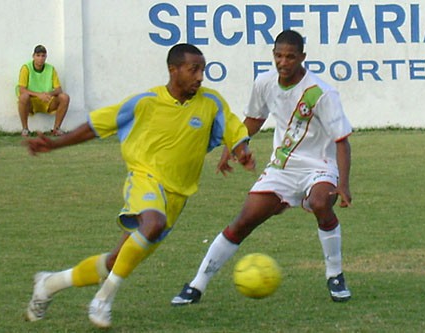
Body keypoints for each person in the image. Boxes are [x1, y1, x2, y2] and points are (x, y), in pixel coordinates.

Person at [23, 43, 255, 328]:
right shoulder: (145, 102)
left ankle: (49, 284)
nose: (199, 76)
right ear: (173, 70)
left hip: (178, 196)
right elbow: (96, 126)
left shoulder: (211, 102)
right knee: (152, 222)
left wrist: (241, 149)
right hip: (145, 180)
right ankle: (103, 299)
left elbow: (233, 128)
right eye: (193, 69)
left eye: (202, 70)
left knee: (115, 261)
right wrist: (55, 144)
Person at [171, 30, 353, 306]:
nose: (284, 62)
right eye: (279, 56)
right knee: (243, 221)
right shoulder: (265, 83)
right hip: (282, 166)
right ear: (273, 56)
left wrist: (344, 184)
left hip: (320, 166)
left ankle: (335, 275)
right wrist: (232, 148)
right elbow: (254, 119)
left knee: (320, 203)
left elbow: (342, 140)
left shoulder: (322, 93)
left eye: (290, 56)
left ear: (302, 57)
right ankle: (197, 285)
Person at [17, 45, 70, 137]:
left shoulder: (51, 69)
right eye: (38, 55)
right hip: (31, 102)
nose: (40, 58)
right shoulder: (26, 68)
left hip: (47, 101)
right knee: (23, 97)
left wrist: (48, 94)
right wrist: (38, 95)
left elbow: (58, 89)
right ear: (33, 56)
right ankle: (25, 129)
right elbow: (21, 89)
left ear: (46, 57)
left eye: (43, 56)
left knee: (64, 97)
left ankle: (56, 129)